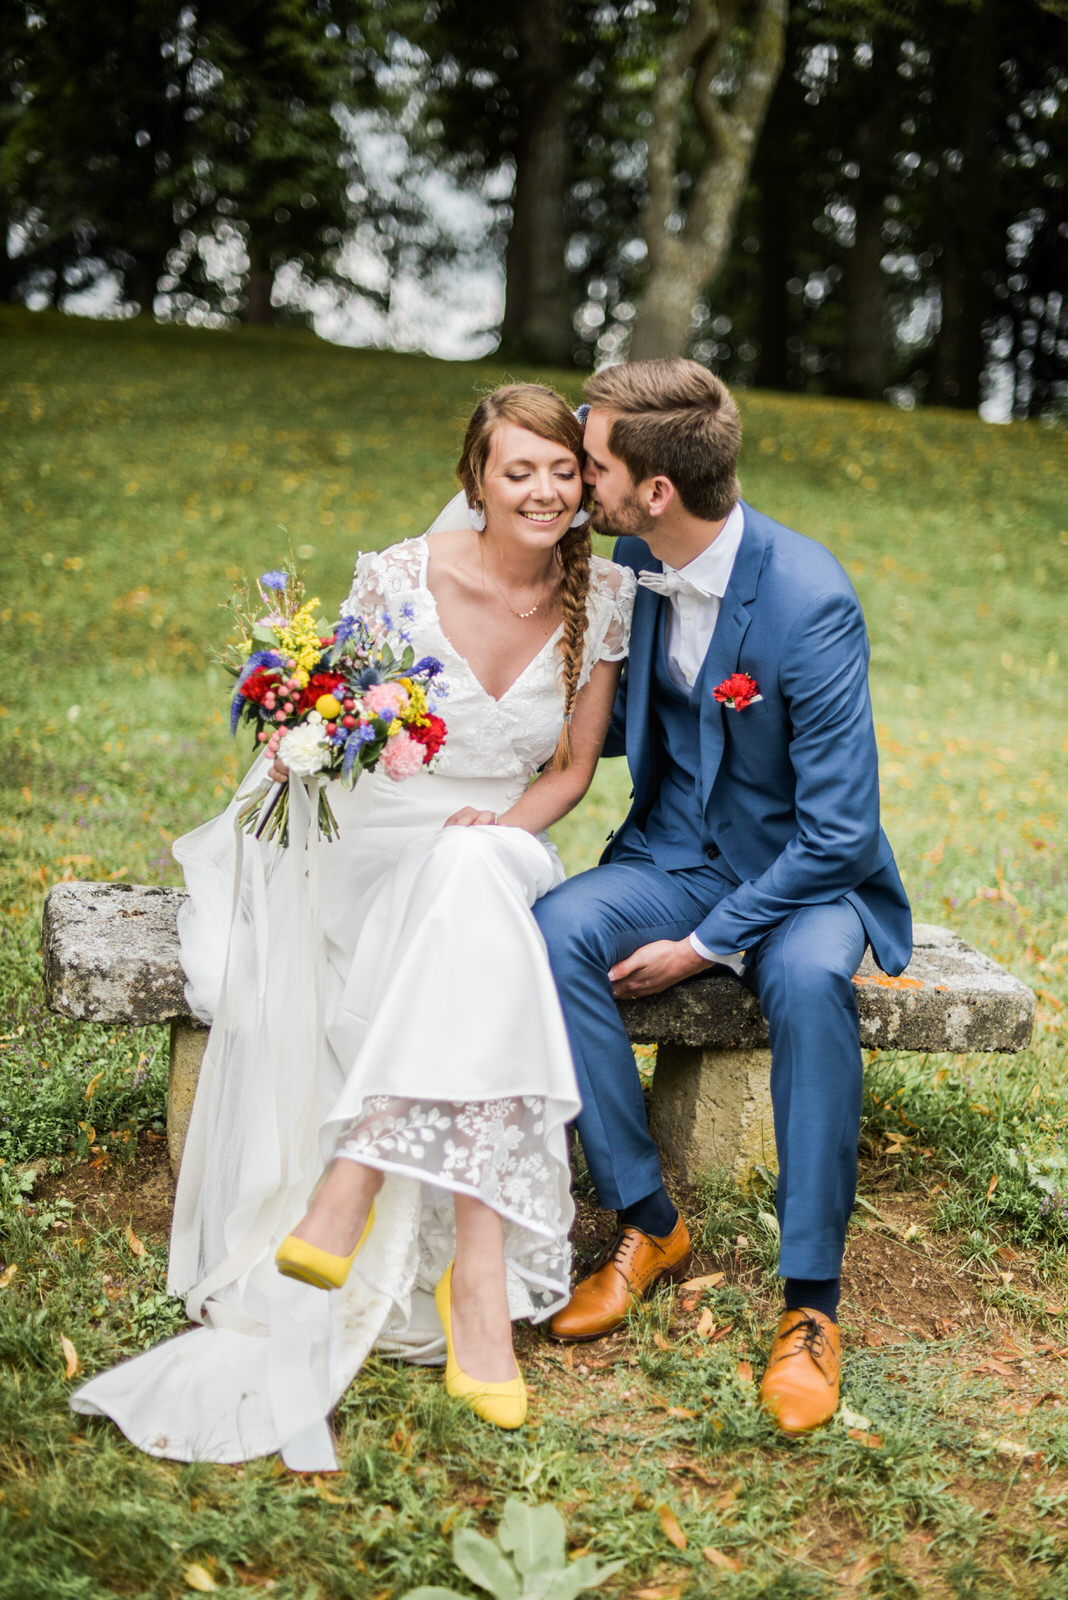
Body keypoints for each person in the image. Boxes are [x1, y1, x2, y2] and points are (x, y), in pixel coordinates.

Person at [71, 384, 635, 1469]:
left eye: (563, 470)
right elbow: (335, 723)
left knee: (472, 874)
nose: (545, 490)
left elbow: (570, 771)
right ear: (476, 482)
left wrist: (496, 827)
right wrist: (314, 735)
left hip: (507, 837)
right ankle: (478, 1286)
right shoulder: (398, 577)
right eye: (519, 470)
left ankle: (356, 1174)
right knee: (464, 916)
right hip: (377, 845)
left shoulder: (602, 596)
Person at [533, 358, 912, 1436]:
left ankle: (810, 1306)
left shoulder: (808, 599)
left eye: (592, 463)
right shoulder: (635, 555)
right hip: (677, 852)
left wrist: (704, 944)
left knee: (806, 983)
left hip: (805, 875)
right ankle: (647, 1219)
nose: (578, 480)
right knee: (558, 928)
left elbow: (840, 832)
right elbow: (617, 716)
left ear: (656, 490)